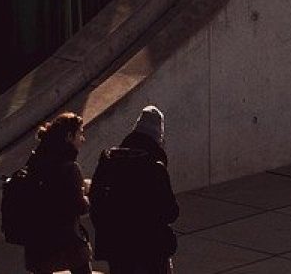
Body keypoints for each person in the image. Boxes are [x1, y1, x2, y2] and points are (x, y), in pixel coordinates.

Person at [90, 106, 180, 274]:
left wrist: (106, 227)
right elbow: (170, 212)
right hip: (150, 247)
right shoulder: (154, 167)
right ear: (157, 137)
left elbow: (95, 200)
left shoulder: (109, 160)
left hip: (116, 243)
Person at [22, 112, 94, 274]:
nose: (82, 139)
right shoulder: (70, 168)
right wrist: (86, 193)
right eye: (80, 134)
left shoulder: (35, 162)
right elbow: (80, 207)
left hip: (37, 244)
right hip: (67, 241)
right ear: (69, 137)